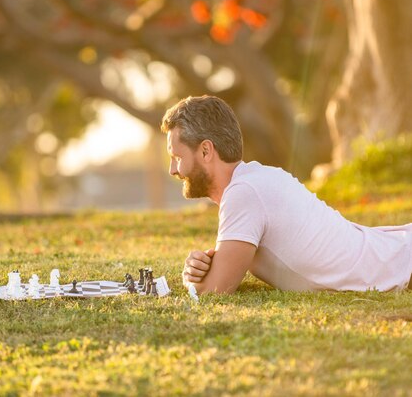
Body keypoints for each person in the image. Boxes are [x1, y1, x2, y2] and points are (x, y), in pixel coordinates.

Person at [161, 95, 412, 294]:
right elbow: (226, 265)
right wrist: (205, 264)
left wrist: (190, 278)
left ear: (206, 151)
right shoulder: (257, 179)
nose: (173, 169)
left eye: (177, 157)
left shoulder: (244, 193)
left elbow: (214, 290)